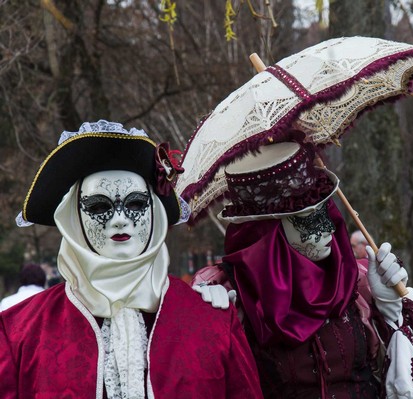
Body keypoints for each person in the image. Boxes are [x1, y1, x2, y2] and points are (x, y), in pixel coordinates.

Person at [0, 120, 262, 398]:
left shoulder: (214, 321)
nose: (120, 220)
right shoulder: (19, 332)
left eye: (136, 203)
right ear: (73, 218)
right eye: (99, 207)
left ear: (155, 213)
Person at [191, 142, 413, 399]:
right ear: (267, 230)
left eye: (326, 210)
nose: (328, 229)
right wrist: (217, 331)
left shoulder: (357, 284)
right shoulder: (232, 294)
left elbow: (407, 379)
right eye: (308, 217)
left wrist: (393, 311)